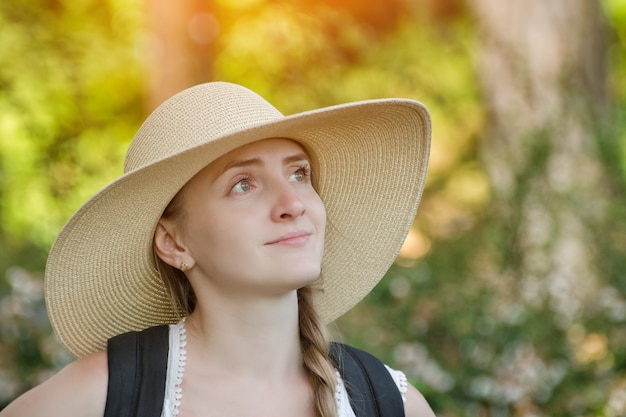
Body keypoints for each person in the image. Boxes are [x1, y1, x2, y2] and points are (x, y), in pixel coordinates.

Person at [0, 82, 435, 417]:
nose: (293, 204)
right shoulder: (102, 395)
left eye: (299, 174)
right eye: (243, 184)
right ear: (174, 243)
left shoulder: (388, 402)